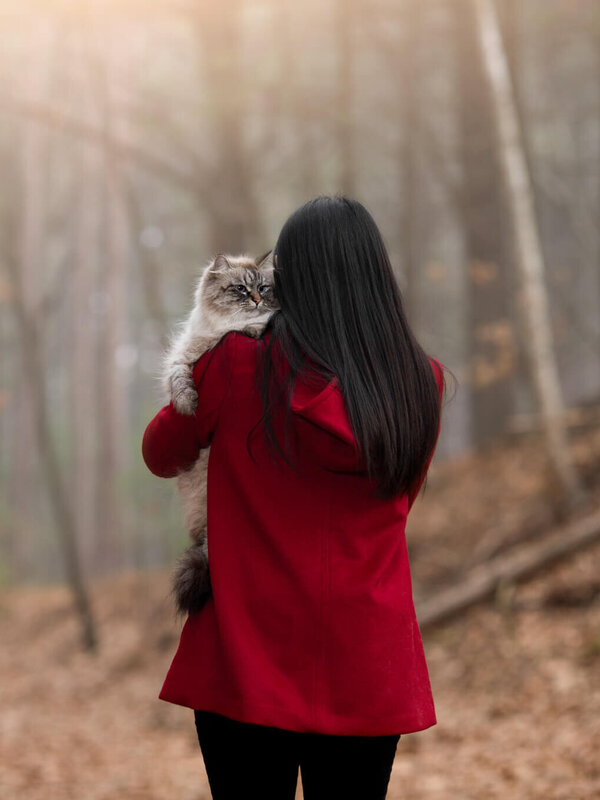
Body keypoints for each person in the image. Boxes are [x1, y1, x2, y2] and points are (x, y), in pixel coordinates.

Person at [141, 197, 448, 799]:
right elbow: (401, 498)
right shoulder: (420, 383)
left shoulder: (233, 365)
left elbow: (160, 453)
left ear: (291, 279)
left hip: (246, 651)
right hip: (367, 659)